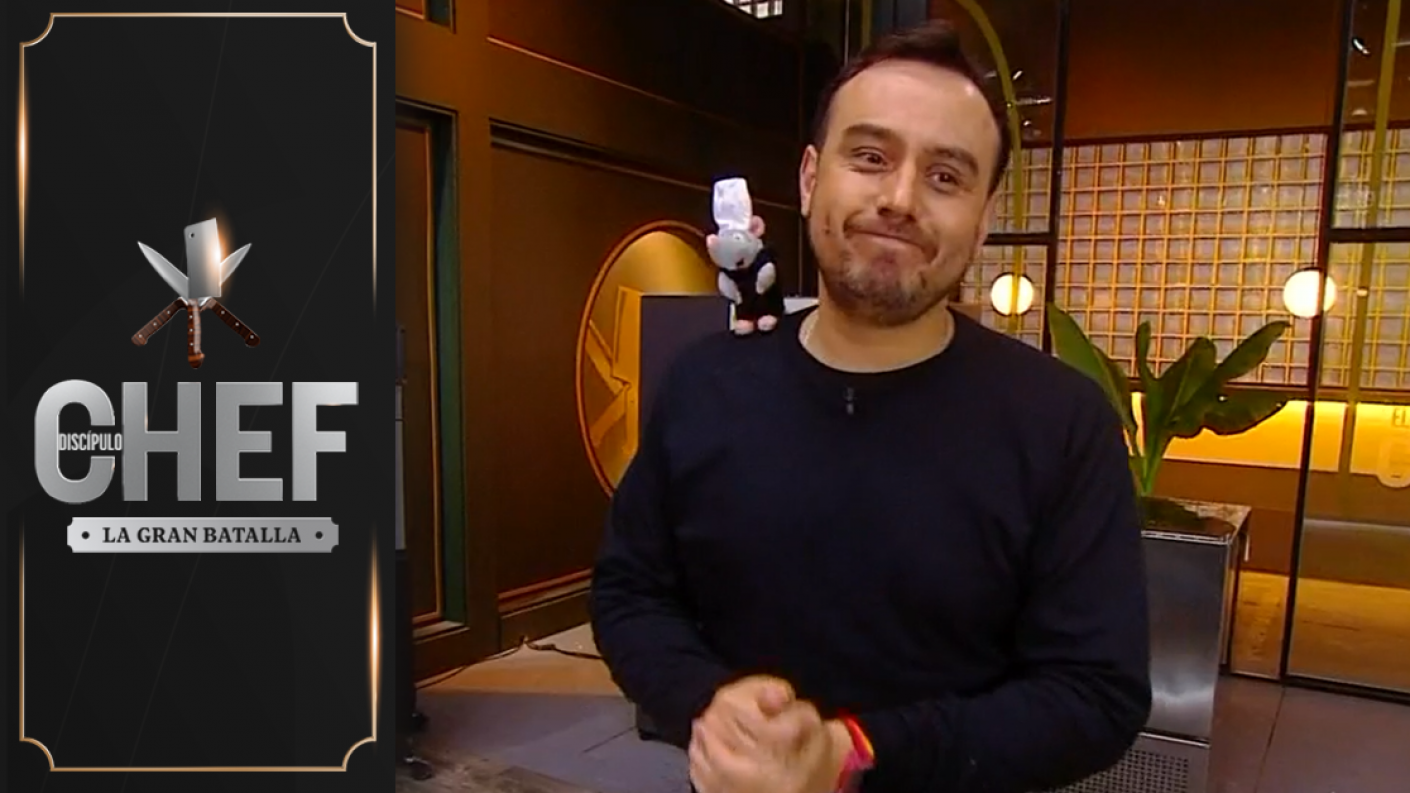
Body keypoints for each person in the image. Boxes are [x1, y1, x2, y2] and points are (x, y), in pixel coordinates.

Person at [589, 18, 1150, 793]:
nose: (899, 198)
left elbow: (1096, 692)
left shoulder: (1061, 422)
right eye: (871, 157)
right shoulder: (704, 386)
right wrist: (706, 700)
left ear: (983, 220)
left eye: (945, 176)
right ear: (810, 177)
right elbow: (630, 592)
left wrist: (852, 751)